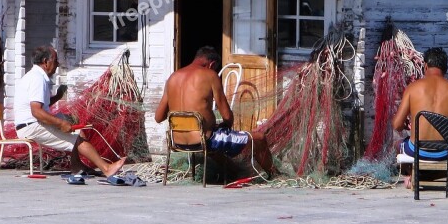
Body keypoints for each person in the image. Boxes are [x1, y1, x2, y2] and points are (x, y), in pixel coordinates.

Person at [154, 46, 276, 178]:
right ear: (211, 64)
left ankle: (235, 173)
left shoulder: (172, 78)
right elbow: (227, 116)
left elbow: (158, 117)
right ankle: (273, 174)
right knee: (259, 138)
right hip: (205, 140)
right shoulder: (210, 75)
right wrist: (225, 125)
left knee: (217, 150)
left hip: (177, 141)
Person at [14, 45, 125, 178]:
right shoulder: (37, 79)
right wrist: (60, 124)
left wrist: (57, 97)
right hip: (31, 126)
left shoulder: (33, 76)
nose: (57, 65)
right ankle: (107, 168)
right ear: (45, 62)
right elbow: (36, 112)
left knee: (72, 124)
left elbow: (40, 107)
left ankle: (78, 167)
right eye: (55, 61)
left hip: (30, 124)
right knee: (76, 138)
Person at [392, 47, 448, 188]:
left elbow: (396, 125)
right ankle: (434, 175)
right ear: (446, 68)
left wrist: (407, 122)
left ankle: (409, 175)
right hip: (446, 153)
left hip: (416, 151)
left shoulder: (413, 88)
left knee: (397, 144)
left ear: (425, 66)